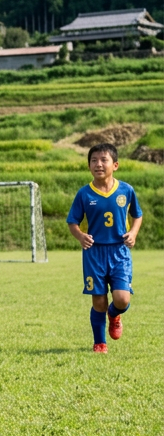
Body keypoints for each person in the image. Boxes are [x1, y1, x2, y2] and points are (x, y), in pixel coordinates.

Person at [66, 142, 142, 353]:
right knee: (98, 300)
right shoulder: (84, 194)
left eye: (103, 160)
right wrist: (80, 236)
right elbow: (72, 222)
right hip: (94, 253)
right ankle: (100, 342)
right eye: (93, 160)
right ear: (89, 165)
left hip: (119, 251)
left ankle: (114, 314)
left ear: (115, 165)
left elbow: (137, 215)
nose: (98, 164)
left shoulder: (126, 190)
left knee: (122, 299)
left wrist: (133, 233)